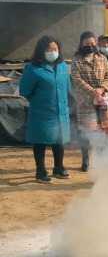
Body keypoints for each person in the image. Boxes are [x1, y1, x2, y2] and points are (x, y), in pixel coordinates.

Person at [19, 36, 71, 183]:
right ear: (41, 51)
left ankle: (58, 168)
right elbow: (24, 90)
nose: (52, 52)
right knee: (40, 141)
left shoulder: (62, 66)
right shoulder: (33, 68)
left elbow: (67, 87)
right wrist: (40, 101)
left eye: (55, 49)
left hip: (61, 111)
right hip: (41, 112)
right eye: (48, 49)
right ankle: (40, 171)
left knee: (59, 140)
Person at [71, 31, 108, 172]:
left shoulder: (102, 58)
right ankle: (86, 160)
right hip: (86, 103)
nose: (90, 46)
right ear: (81, 44)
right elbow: (77, 79)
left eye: (92, 43)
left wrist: (102, 89)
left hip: (103, 101)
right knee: (87, 133)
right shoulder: (76, 60)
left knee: (104, 131)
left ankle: (102, 160)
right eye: (87, 44)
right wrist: (93, 91)